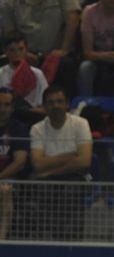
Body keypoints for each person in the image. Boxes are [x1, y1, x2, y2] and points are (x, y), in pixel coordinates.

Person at [29, 85, 92, 240]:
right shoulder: (37, 129)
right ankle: (47, 240)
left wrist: (51, 169)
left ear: (67, 104)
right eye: (50, 102)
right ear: (44, 106)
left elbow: (84, 161)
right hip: (47, 180)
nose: (55, 106)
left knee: (71, 192)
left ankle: (72, 242)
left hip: (75, 176)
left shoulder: (81, 124)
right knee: (45, 191)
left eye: (59, 101)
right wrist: (71, 156)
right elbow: (38, 164)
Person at [1, 0, 81, 97]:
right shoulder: (8, 2)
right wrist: (24, 53)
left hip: (56, 53)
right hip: (24, 52)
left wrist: (64, 49)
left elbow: (73, 19)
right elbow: (10, 33)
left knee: (67, 65)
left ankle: (65, 106)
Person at [0, 88, 29, 240]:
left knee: (5, 190)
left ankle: (2, 239)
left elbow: (20, 162)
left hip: (9, 179)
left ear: (12, 108)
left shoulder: (18, 128)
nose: (2, 109)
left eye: (6, 105)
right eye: (0, 104)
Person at [0, 34, 48, 110]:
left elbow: (46, 101)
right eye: (12, 50)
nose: (17, 54)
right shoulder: (1, 73)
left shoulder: (38, 74)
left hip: (33, 114)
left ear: (26, 50)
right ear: (5, 51)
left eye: (21, 49)